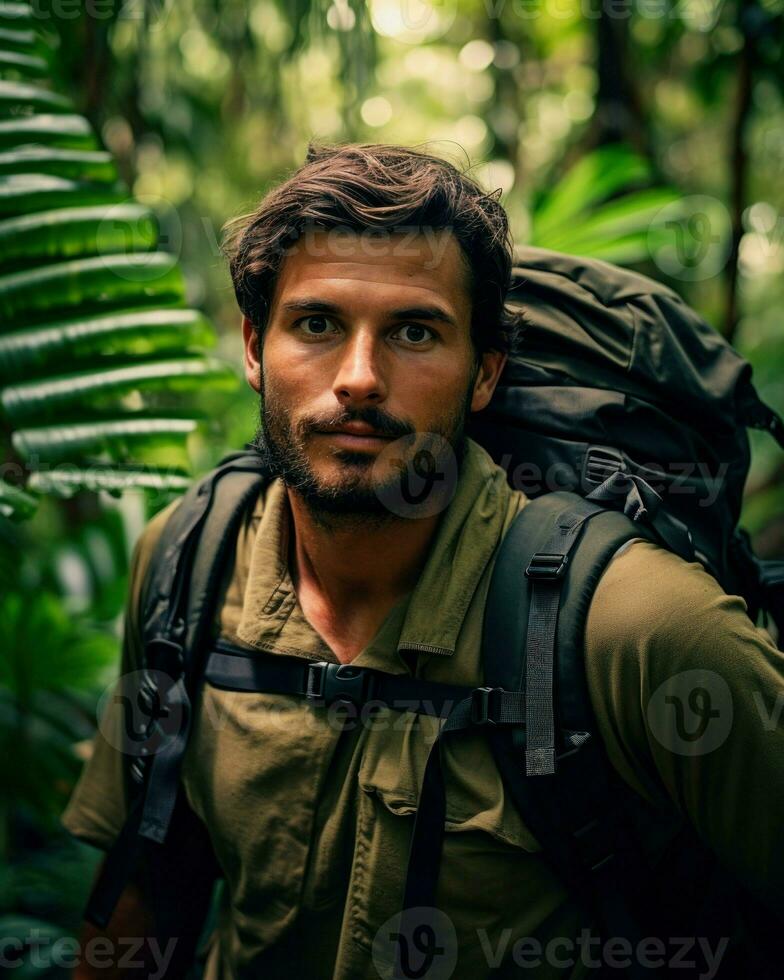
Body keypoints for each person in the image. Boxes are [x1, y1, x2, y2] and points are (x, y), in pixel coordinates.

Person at [62, 143, 784, 979]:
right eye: (318, 324)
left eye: (414, 331)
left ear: (484, 374)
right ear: (255, 349)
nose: (360, 379)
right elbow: (142, 900)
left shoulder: (636, 626)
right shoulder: (187, 563)